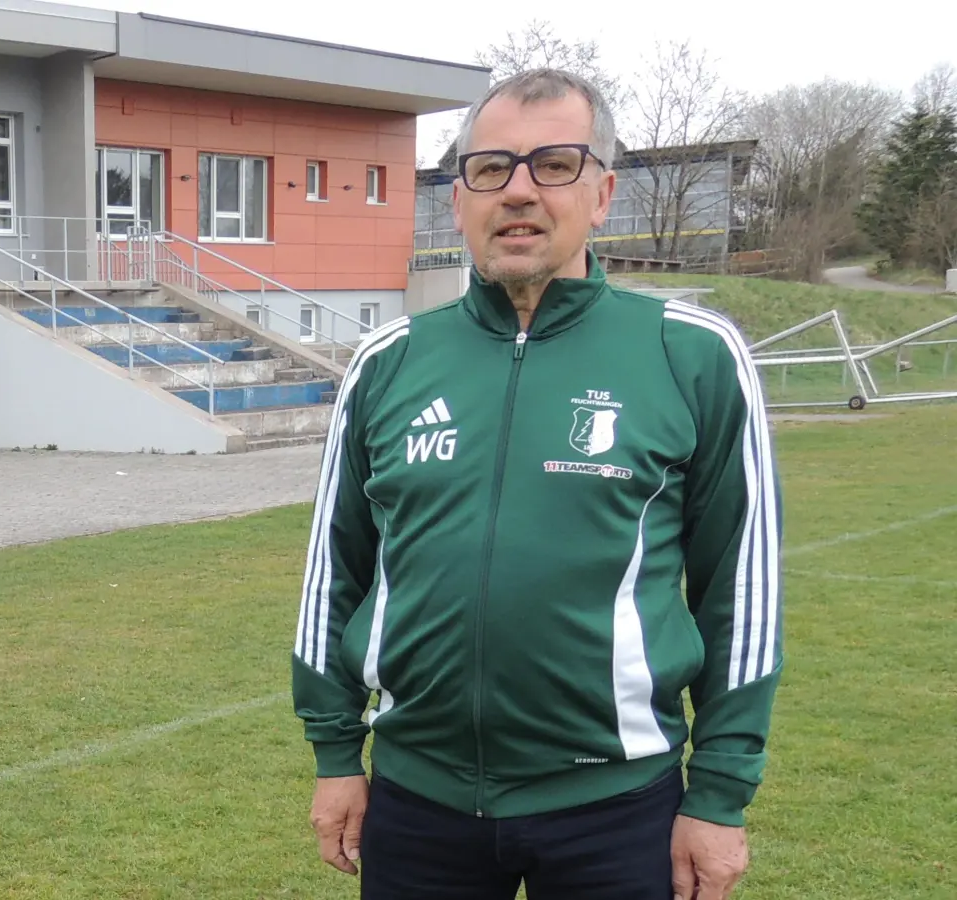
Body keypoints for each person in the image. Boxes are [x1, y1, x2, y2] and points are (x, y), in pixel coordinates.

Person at [291, 68, 782, 900]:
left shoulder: (692, 354)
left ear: (602, 192)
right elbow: (333, 576)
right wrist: (337, 755)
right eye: (491, 169)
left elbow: (741, 593)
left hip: (617, 808)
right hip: (419, 803)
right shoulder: (390, 362)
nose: (518, 191)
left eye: (553, 164)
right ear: (459, 200)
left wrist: (722, 796)